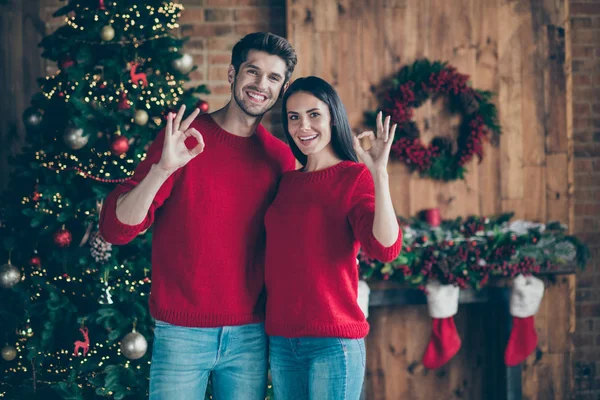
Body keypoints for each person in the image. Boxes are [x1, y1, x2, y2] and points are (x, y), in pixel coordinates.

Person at [99, 32, 297, 400]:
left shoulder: (281, 159)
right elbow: (115, 229)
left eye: (273, 78)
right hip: (181, 331)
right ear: (232, 74)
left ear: (282, 88)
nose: (260, 85)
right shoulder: (184, 138)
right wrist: (162, 168)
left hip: (251, 337)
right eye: (252, 72)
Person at [264, 76, 402, 400]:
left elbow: (385, 248)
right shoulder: (285, 183)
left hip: (333, 341)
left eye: (314, 114)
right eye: (293, 117)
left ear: (332, 118)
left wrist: (379, 174)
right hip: (283, 341)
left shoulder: (352, 177)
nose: (303, 126)